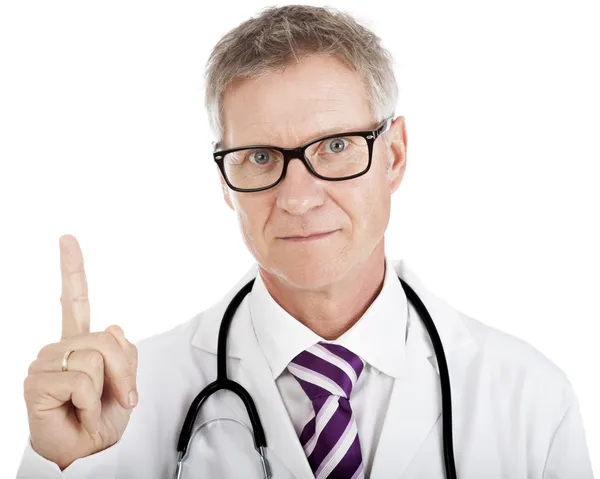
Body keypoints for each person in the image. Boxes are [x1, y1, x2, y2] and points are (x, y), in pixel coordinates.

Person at [17, 4, 594, 479]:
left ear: (393, 156)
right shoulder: (123, 406)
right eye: (261, 157)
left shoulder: (528, 400)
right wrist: (61, 465)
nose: (298, 196)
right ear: (226, 181)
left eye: (335, 147)